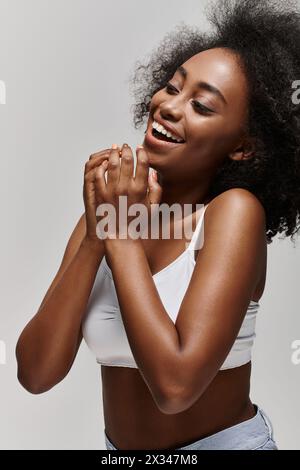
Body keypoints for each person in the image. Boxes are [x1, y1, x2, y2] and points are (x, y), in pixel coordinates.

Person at [16, 0, 300, 450]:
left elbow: (175, 387)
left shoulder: (233, 213)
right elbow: (35, 374)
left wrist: (120, 235)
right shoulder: (108, 216)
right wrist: (97, 235)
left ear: (242, 147)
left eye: (202, 106)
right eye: (172, 87)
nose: (169, 106)